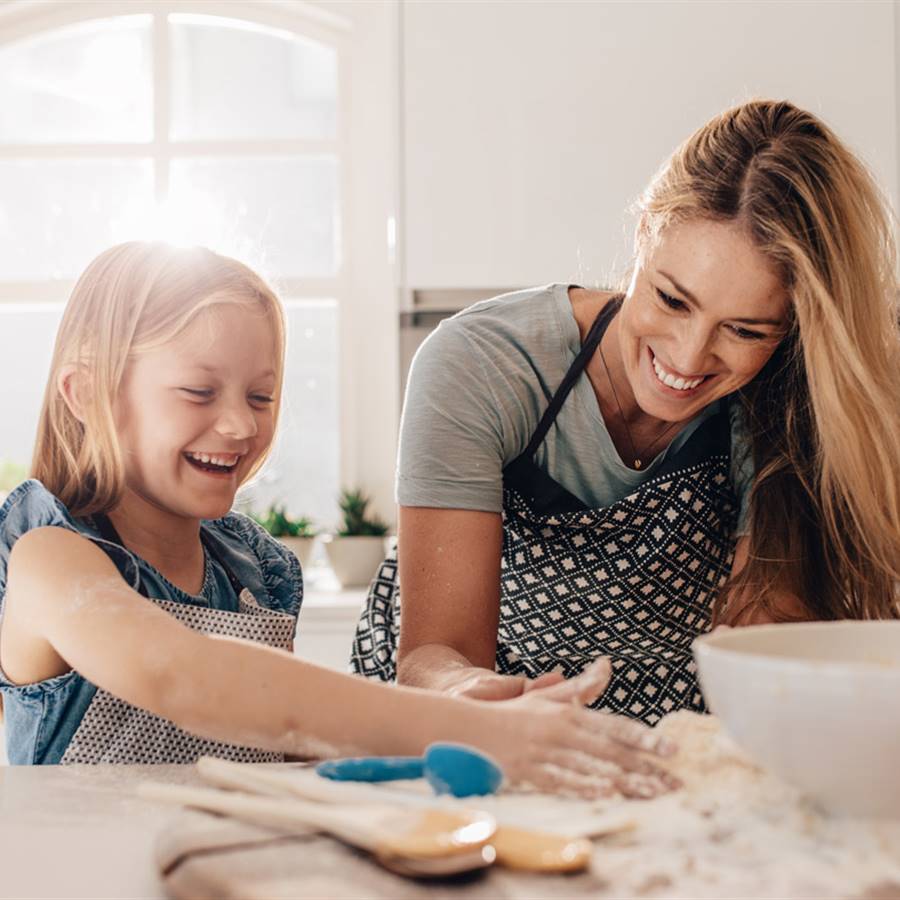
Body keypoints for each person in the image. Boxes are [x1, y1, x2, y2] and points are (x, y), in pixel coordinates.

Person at [0, 242, 677, 798]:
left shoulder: (257, 574)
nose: (239, 423)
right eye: (198, 392)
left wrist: (451, 736)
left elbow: (285, 752)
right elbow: (179, 675)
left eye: (261, 395)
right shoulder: (48, 557)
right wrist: (451, 725)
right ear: (86, 393)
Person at [351, 99, 900, 724]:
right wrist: (477, 699)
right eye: (671, 299)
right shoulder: (483, 365)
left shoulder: (787, 402)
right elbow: (435, 651)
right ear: (643, 234)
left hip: (665, 726)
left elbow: (764, 637)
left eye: (744, 330)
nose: (689, 357)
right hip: (450, 719)